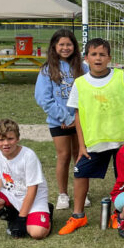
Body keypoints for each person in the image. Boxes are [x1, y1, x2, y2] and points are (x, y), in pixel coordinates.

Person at [58, 38, 124, 235]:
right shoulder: (80, 83)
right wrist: (81, 145)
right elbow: (78, 115)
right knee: (80, 173)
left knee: (122, 179)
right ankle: (78, 216)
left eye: (102, 54)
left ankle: (118, 213)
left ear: (109, 58)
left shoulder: (121, 76)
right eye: (94, 54)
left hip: (122, 140)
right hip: (94, 141)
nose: (98, 58)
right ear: (86, 58)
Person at [34, 29, 88, 210]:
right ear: (54, 46)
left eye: (69, 44)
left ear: (74, 46)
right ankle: (63, 194)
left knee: (79, 156)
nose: (65, 48)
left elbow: (89, 93)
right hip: (60, 122)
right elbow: (43, 98)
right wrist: (65, 116)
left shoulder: (83, 67)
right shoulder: (47, 70)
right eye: (62, 44)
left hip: (81, 120)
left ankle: (82, 192)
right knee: (64, 156)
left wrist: (78, 118)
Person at [0, 119, 52, 240]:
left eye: (10, 139)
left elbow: (32, 189)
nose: (6, 143)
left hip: (33, 198)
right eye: (1, 140)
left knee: (37, 233)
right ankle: (13, 217)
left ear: (18, 138)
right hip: (11, 194)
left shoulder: (28, 155)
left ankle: (46, 212)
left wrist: (22, 218)